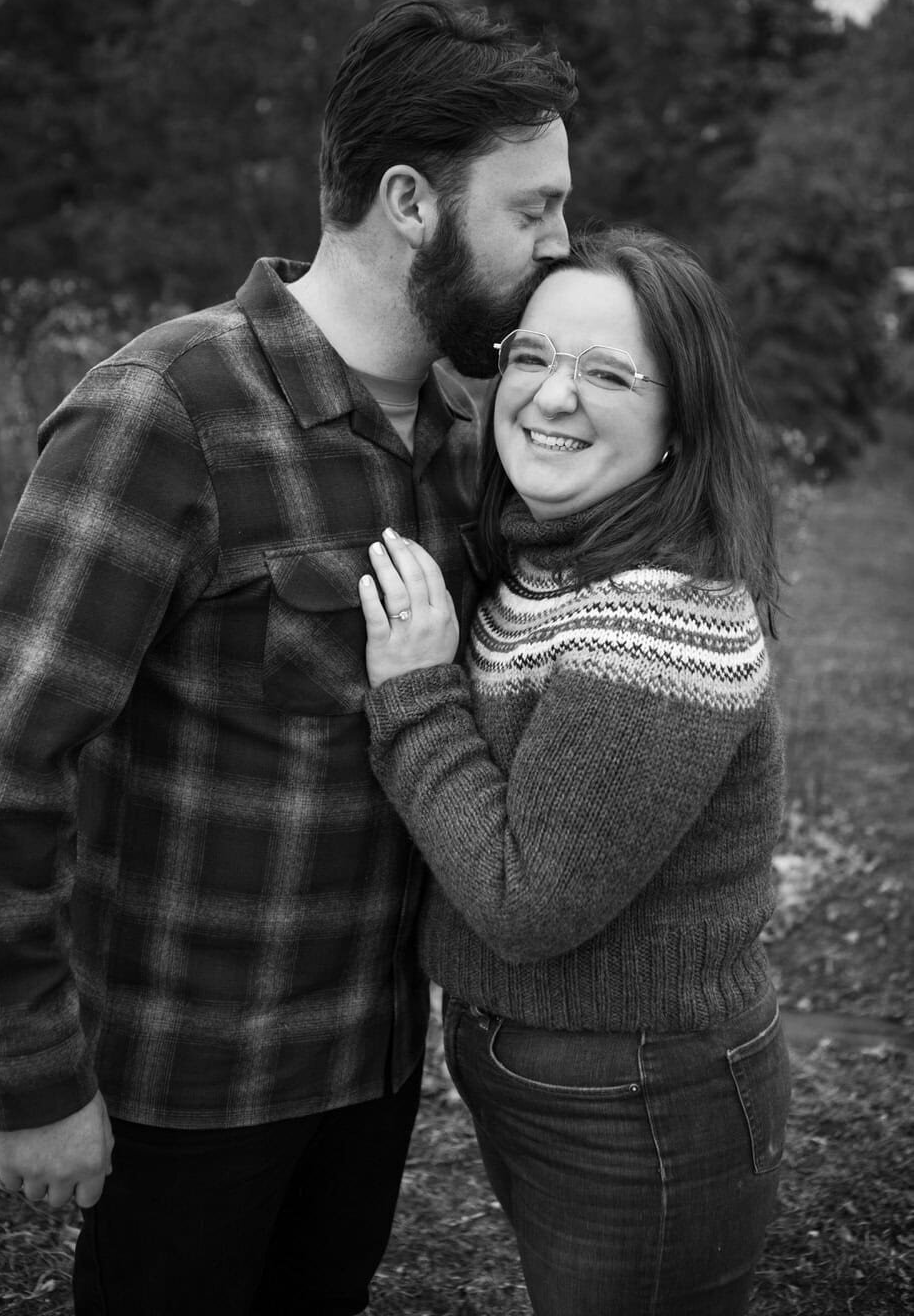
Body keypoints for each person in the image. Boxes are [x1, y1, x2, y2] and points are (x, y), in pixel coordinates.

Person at [0, 0, 576, 1315]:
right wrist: (30, 1077)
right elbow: (2, 768)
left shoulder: (473, 443)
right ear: (413, 202)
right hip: (191, 1093)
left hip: (370, 1074)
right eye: (532, 208)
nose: (560, 243)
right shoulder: (166, 411)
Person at [358, 226, 791, 1316]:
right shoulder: (556, 560)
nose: (551, 396)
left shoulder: (659, 615)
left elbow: (528, 900)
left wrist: (414, 692)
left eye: (607, 373)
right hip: (562, 1072)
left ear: (676, 427)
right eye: (535, 356)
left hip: (638, 1088)